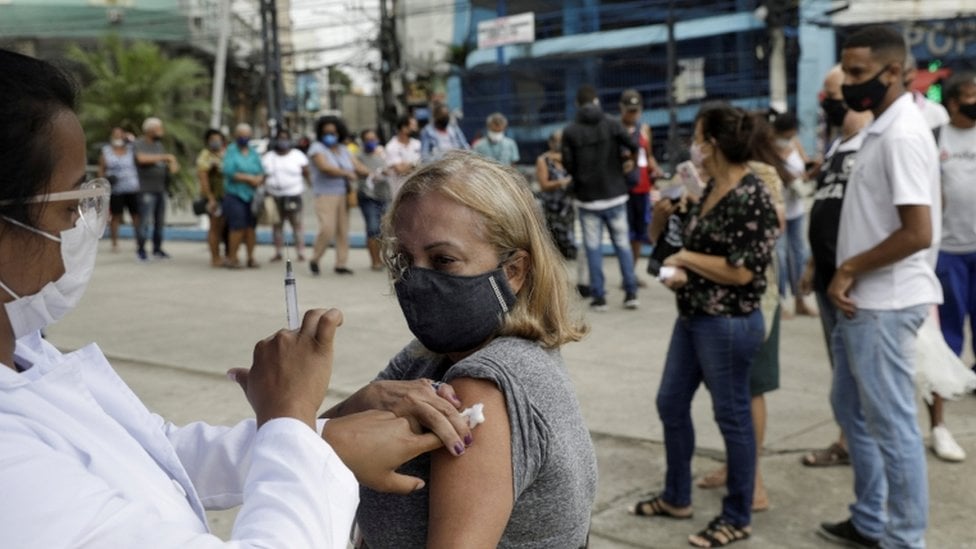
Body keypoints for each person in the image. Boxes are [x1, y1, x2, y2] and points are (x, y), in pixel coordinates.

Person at [0, 47, 459, 548]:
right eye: (70, 206)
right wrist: (289, 415)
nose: (82, 225)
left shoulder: (25, 353)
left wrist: (317, 427)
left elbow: (162, 453)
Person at [323, 150, 596, 548]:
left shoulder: (481, 385)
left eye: (443, 259)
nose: (416, 280)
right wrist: (364, 401)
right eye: (404, 259)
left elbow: (302, 452)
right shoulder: (427, 357)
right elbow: (299, 444)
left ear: (514, 271)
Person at [818, 26, 941, 549]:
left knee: (893, 430)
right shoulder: (877, 128)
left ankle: (903, 539)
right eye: (846, 71)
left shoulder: (903, 134)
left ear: (894, 72)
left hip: (884, 304)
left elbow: (918, 232)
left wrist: (848, 268)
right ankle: (870, 520)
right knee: (851, 411)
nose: (848, 83)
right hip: (862, 303)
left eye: (859, 73)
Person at [635, 102, 778, 549]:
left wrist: (686, 259)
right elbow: (668, 241)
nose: (693, 146)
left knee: (732, 416)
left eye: (698, 137)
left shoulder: (753, 196)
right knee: (670, 403)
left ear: (711, 144)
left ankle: (737, 515)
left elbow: (742, 272)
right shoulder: (708, 187)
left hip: (730, 324)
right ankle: (677, 496)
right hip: (693, 315)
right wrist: (664, 223)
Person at [695, 114, 789, 515]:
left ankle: (754, 484)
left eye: (700, 137)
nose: (695, 145)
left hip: (754, 299)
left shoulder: (761, 176)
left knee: (749, 387)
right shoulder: (709, 178)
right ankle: (737, 466)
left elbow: (776, 225)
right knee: (729, 391)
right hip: (711, 298)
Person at [799, 65, 873, 468]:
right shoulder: (836, 145)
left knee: (860, 375)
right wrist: (812, 263)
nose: (823, 103)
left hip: (855, 281)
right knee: (841, 372)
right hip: (829, 276)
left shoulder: (872, 142)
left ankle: (860, 447)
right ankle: (848, 440)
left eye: (830, 94)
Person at [929, 71, 976, 461]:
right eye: (971, 95)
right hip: (948, 251)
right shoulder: (937, 139)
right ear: (954, 103)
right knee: (946, 335)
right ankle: (939, 424)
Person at [562, 84, 640, 311]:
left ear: (577, 104)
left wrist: (578, 175)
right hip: (616, 194)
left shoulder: (570, 131)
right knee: (623, 246)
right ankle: (631, 293)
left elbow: (568, 163)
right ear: (596, 101)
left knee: (593, 248)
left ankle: (599, 297)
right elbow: (633, 144)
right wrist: (627, 162)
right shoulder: (612, 123)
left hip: (587, 199)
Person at [307, 115, 369, 276]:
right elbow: (324, 167)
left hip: (343, 194)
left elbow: (358, 166)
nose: (330, 135)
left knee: (343, 230)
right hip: (325, 194)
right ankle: (315, 258)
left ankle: (341, 263)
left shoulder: (344, 150)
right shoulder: (317, 148)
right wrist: (347, 173)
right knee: (327, 228)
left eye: (333, 132)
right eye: (326, 132)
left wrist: (368, 171)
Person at [771, 111, 817, 317]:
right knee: (779, 256)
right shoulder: (768, 148)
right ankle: (779, 300)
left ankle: (800, 299)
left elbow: (805, 163)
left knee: (798, 253)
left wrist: (808, 173)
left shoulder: (795, 144)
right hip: (778, 209)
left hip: (796, 208)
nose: (788, 139)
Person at [619, 89, 664, 283]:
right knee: (625, 234)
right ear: (622, 109)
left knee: (638, 234)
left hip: (643, 187)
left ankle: (631, 273)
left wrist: (657, 170)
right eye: (629, 110)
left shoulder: (645, 129)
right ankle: (627, 275)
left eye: (636, 110)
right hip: (624, 189)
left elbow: (649, 156)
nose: (633, 115)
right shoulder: (616, 129)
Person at [134, 116, 179, 261]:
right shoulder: (139, 143)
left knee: (159, 222)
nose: (161, 131)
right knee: (145, 222)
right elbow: (141, 159)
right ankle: (141, 250)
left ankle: (157, 249)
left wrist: (172, 165)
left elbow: (168, 165)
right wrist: (165, 157)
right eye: (159, 129)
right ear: (150, 130)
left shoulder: (159, 146)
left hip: (160, 189)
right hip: (145, 189)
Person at [262, 127, 309, 262]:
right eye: (280, 138)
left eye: (285, 138)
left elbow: (306, 173)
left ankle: (300, 252)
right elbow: (263, 176)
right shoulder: (269, 157)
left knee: (297, 225)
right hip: (275, 196)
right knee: (277, 226)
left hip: (294, 195)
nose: (283, 141)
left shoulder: (297, 155)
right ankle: (278, 251)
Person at [221, 123, 263, 269]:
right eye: (241, 135)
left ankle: (251, 257)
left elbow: (260, 170)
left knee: (251, 228)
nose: (244, 138)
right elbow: (229, 171)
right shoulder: (231, 151)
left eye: (246, 135)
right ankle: (233, 257)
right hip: (235, 194)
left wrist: (258, 178)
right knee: (237, 227)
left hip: (251, 196)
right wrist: (249, 178)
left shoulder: (253, 152)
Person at [98, 126, 140, 253]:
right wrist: (102, 184)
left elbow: (140, 151)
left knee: (136, 215)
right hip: (115, 188)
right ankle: (114, 243)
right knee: (116, 215)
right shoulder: (106, 151)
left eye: (120, 135)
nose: (118, 137)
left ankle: (140, 241)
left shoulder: (131, 149)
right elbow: (101, 169)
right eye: (115, 134)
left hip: (132, 187)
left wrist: (131, 139)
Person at [535, 130, 576, 259]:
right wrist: (562, 182)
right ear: (550, 143)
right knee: (552, 239)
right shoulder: (543, 160)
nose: (560, 144)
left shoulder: (570, 158)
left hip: (567, 206)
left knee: (568, 241)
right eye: (557, 141)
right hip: (551, 206)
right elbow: (544, 185)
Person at [357, 128, 392, 270]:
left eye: (373, 139)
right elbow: (359, 170)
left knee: (384, 229)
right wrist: (372, 173)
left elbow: (390, 169)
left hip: (383, 195)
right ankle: (375, 261)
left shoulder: (382, 154)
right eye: (368, 139)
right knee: (372, 228)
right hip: (368, 196)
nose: (371, 142)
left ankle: (382, 259)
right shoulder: (359, 157)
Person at [196, 128, 227, 267]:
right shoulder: (205, 156)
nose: (215, 142)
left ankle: (226, 255)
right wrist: (210, 198)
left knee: (225, 227)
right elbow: (203, 179)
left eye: (218, 139)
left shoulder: (226, 154)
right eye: (212, 139)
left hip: (228, 196)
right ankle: (215, 257)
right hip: (214, 197)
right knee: (215, 227)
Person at [385, 114, 422, 198]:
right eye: (413, 126)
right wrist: (415, 164)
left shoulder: (417, 144)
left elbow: (424, 164)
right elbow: (400, 169)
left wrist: (408, 165)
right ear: (404, 128)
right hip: (401, 192)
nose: (416, 129)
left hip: (418, 189)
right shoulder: (391, 147)